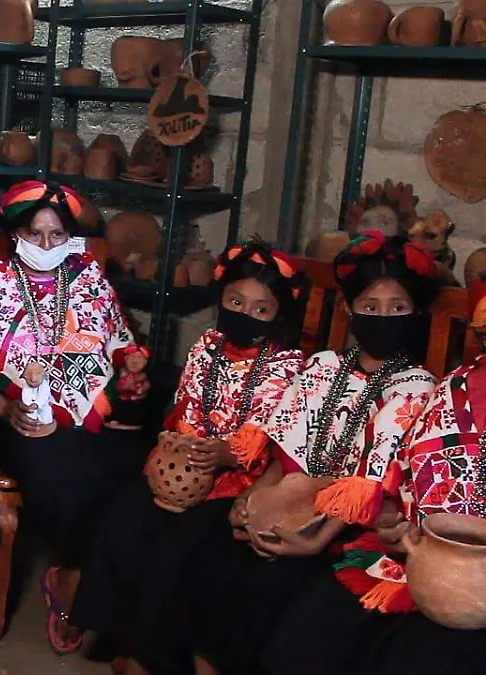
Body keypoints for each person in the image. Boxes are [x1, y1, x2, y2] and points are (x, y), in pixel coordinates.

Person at [266, 253, 486, 675]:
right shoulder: (459, 391)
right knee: (307, 634)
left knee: (418, 660)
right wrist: (394, 529)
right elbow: (404, 488)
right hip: (415, 567)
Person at [189, 232, 442, 675]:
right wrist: (252, 503)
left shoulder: (417, 387)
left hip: (345, 528)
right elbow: (284, 451)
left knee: (276, 588)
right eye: (370, 306)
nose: (383, 318)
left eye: (397, 308)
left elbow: (371, 484)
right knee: (214, 562)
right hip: (292, 502)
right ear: (349, 309)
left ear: (416, 314)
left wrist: (313, 542)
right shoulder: (323, 366)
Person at [71, 241, 307, 675]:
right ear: (221, 300)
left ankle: (151, 656)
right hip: (183, 466)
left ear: (278, 315)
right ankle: (117, 634)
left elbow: (270, 432)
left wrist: (226, 453)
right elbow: (186, 405)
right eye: (236, 302)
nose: (245, 314)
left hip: (239, 479)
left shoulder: (287, 365)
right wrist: (184, 446)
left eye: (261, 309)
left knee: (178, 545)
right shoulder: (207, 346)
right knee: (124, 516)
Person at [0, 180, 147, 654]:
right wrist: (6, 407)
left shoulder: (87, 278)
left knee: (129, 469)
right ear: (15, 234)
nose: (46, 244)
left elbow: (118, 343)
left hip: (89, 411)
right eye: (34, 234)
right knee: (61, 468)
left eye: (57, 235)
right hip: (18, 412)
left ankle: (95, 582)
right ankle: (71, 580)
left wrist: (129, 371)